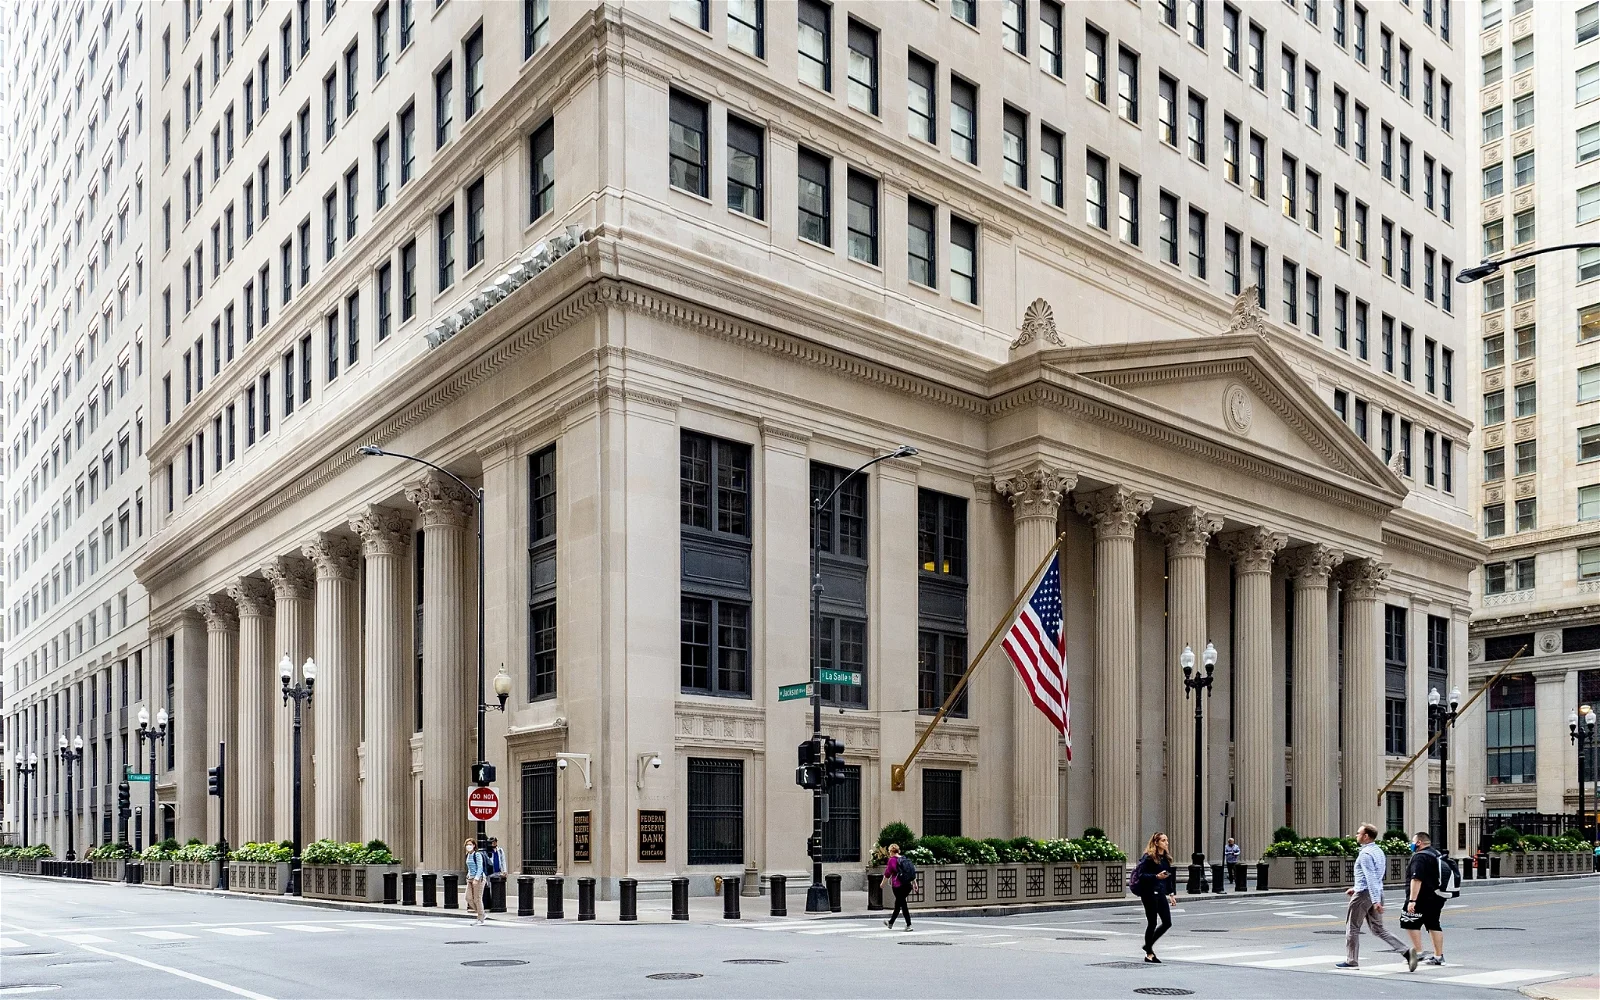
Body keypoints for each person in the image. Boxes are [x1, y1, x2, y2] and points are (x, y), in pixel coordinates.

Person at [1337, 822, 1416, 971]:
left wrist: (1374, 900)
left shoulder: (1365, 854)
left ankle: (1351, 961)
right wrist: (1360, 890)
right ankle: (1406, 951)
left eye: (1358, 833)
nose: (1356, 835)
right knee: (1378, 929)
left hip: (1365, 895)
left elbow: (1371, 877)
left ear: (1366, 836)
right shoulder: (1378, 851)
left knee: (1352, 927)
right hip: (1375, 892)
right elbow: (1375, 877)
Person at [1404, 830, 1447, 966]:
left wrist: (1412, 900)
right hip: (1437, 895)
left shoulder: (1419, 857)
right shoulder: (1436, 854)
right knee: (1433, 924)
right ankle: (1438, 956)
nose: (1411, 844)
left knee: (1409, 921)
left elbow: (1416, 879)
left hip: (1422, 897)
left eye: (1413, 841)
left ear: (1419, 842)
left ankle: (1418, 952)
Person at [1133, 832, 1176, 963]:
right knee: (1152, 922)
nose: (1166, 843)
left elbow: (1168, 878)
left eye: (1167, 840)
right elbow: (1141, 875)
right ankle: (1149, 953)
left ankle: (1148, 945)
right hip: (1149, 893)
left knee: (1167, 922)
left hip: (1161, 892)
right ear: (1156, 842)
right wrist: (1156, 877)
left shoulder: (1166, 858)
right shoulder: (1148, 857)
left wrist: (1171, 894)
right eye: (1163, 840)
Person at [882, 844, 914, 930]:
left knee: (902, 904)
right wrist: (915, 884)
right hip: (907, 885)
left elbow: (887, 874)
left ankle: (908, 924)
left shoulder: (892, 860)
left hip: (898, 885)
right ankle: (890, 923)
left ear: (891, 851)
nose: (889, 853)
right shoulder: (904, 859)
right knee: (898, 903)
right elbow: (910, 872)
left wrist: (882, 884)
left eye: (889, 852)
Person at [464, 838, 488, 925]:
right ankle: (481, 913)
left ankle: (480, 918)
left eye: (470, 844)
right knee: (468, 898)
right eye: (467, 845)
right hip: (470, 878)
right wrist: (468, 875)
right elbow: (470, 867)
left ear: (474, 845)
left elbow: (480, 867)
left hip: (479, 879)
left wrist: (476, 879)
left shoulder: (477, 854)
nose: (468, 846)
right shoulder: (468, 855)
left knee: (477, 898)